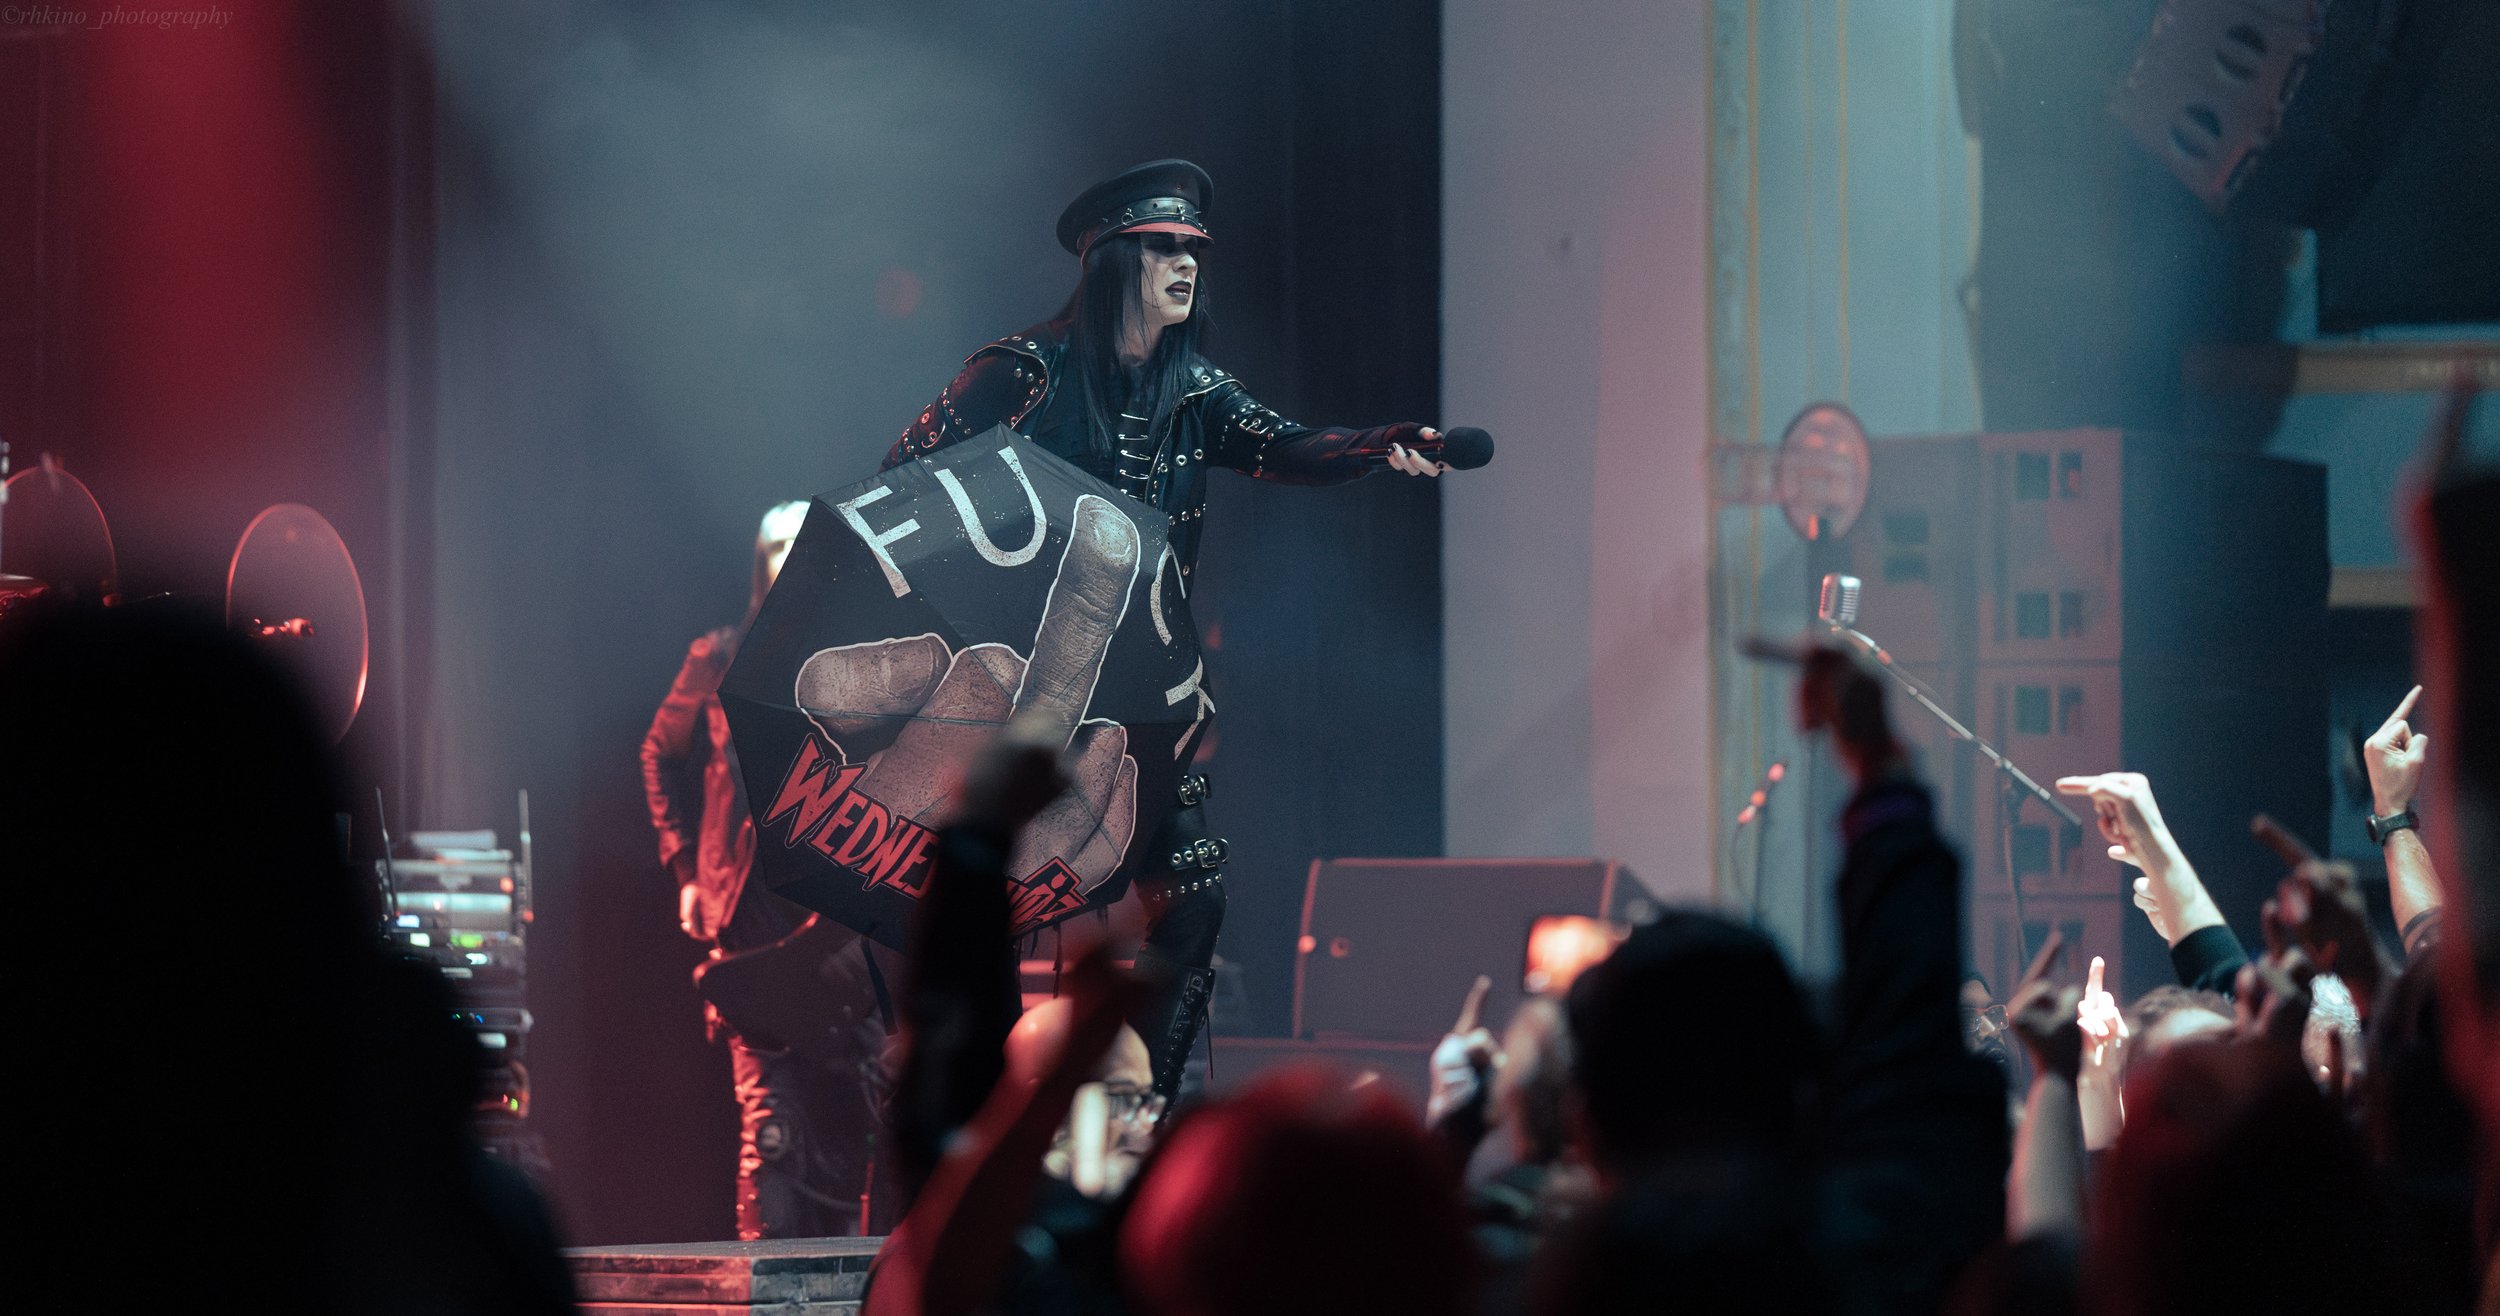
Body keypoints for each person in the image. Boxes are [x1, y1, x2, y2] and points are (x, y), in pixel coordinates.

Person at [882, 158, 1468, 1098]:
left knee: (1191, 903)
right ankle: (977, 1117)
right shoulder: (1021, 373)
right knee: (989, 909)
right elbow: (903, 488)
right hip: (1010, 691)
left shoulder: (1194, 391)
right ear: (1113, 260)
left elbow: (1286, 445)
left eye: (1194, 250)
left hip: (1134, 699)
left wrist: (1382, 442)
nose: (1185, 266)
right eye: (1162, 250)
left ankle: (1141, 1106)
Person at [641, 500, 899, 1237]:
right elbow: (660, 752)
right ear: (761, 561)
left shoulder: (869, 660)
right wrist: (685, 867)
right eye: (778, 545)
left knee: (860, 1124)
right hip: (748, 917)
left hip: (839, 928)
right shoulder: (721, 656)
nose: (792, 557)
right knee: (774, 1133)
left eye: (805, 544)